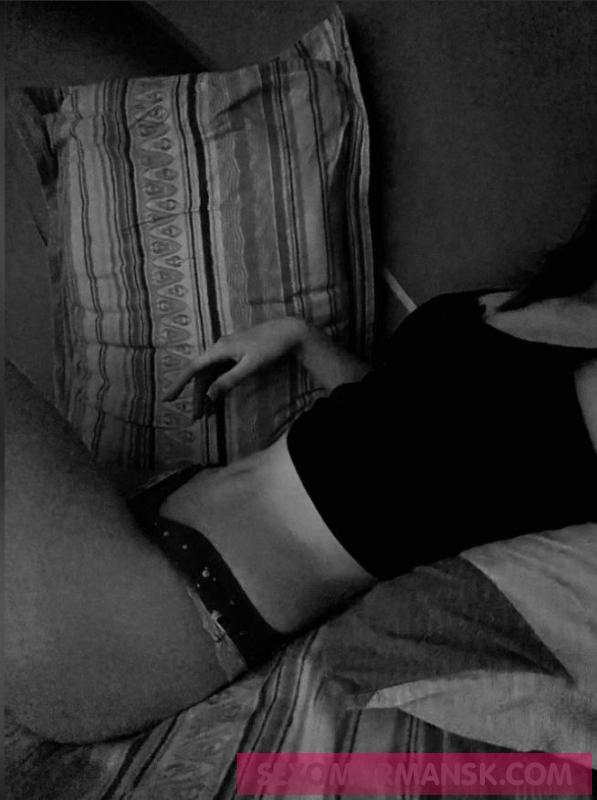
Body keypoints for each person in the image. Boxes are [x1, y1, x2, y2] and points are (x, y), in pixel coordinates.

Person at [6, 196, 597, 744]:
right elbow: (409, 429)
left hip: (149, 622)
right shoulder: (548, 298)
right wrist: (300, 338)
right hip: (145, 534)